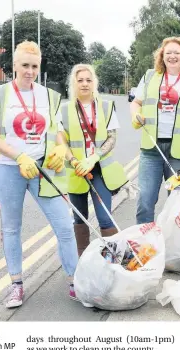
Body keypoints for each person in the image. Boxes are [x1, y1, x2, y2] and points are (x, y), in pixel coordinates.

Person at [0, 40, 78, 308]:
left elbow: (57, 130)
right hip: (9, 169)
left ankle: (75, 281)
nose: (29, 71)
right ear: (14, 65)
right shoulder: (0, 95)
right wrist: (19, 156)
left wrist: (61, 148)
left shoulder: (48, 96)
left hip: (43, 169)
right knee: (12, 229)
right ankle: (16, 285)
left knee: (64, 225)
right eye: (24, 65)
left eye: (34, 66)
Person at [130, 36, 180, 224]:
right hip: (151, 149)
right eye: (168, 52)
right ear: (162, 56)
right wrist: (135, 115)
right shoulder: (150, 77)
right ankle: (145, 243)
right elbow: (136, 103)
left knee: (177, 202)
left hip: (178, 153)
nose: (172, 56)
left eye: (177, 53)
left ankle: (172, 244)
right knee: (145, 201)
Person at [62, 64, 127, 256]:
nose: (84, 84)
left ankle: (112, 259)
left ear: (94, 83)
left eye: (88, 80)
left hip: (100, 169)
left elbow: (112, 137)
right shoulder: (64, 109)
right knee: (80, 219)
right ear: (74, 83)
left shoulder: (106, 106)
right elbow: (61, 141)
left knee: (105, 219)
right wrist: (74, 161)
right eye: (80, 80)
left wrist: (94, 157)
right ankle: (82, 259)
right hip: (76, 171)